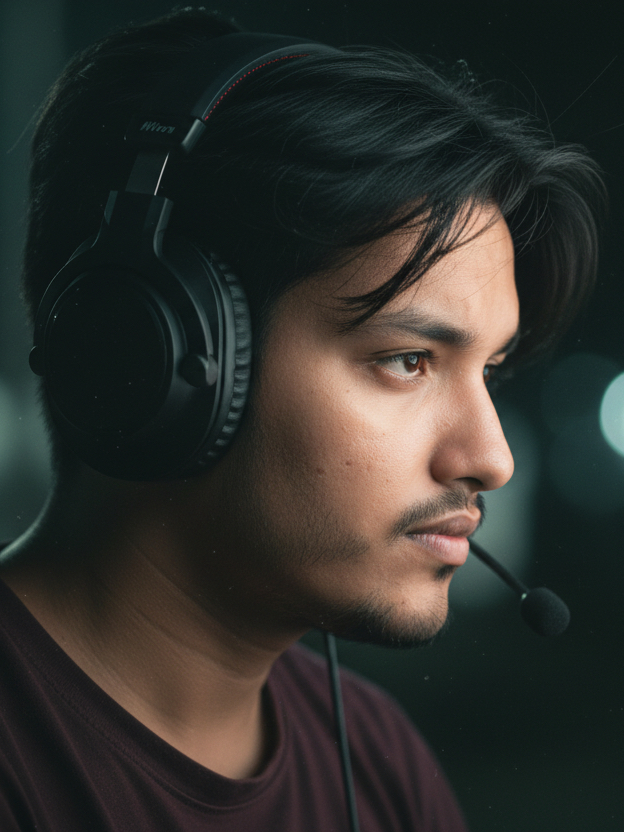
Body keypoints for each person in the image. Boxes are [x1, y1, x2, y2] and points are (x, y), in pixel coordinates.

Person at [0, 7, 604, 831]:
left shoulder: (380, 763)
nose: (491, 458)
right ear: (144, 357)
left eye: (490, 372)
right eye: (409, 360)